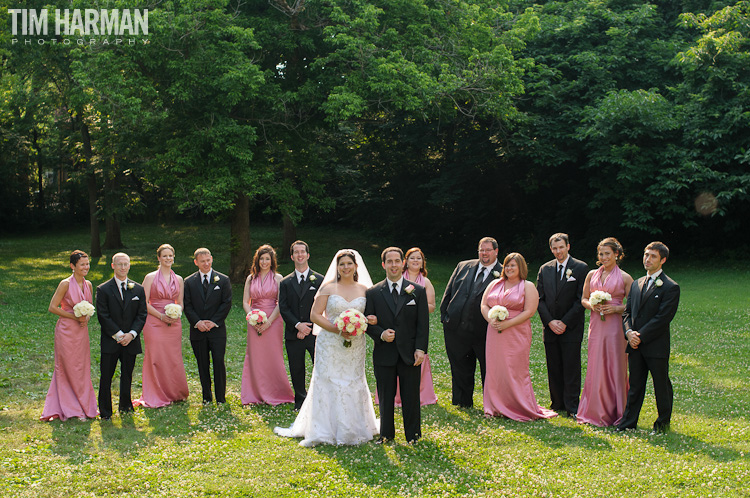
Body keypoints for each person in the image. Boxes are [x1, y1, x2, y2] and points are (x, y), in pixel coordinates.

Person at [274, 249, 379, 446]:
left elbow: (372, 315)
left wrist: (367, 321)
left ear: (356, 266)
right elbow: (315, 315)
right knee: (329, 380)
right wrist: (337, 329)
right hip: (329, 343)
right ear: (337, 267)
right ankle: (323, 428)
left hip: (355, 344)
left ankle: (354, 427)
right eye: (342, 264)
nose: (346, 267)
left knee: (352, 380)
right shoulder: (328, 288)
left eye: (349, 264)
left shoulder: (365, 290)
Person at [481, 253, 557, 421]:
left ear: (520, 267)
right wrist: (490, 319)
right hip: (494, 332)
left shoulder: (527, 286)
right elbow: (484, 304)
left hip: (516, 332)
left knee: (515, 368)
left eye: (513, 266)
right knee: (495, 368)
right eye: (507, 265)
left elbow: (529, 311)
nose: (508, 268)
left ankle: (518, 404)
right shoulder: (495, 284)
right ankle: (495, 404)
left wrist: (508, 324)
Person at [366, 247, 430, 443]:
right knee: (385, 397)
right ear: (384, 264)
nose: (394, 265)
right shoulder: (373, 292)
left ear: (403, 263)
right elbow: (367, 323)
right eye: (389, 261)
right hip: (384, 353)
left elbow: (423, 324)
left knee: (411, 396)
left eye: (397, 261)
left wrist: (421, 349)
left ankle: (413, 435)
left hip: (409, 353)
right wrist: (381, 334)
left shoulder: (417, 291)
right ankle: (386, 435)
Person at [617, 241, 680, 434]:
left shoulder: (670, 287)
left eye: (653, 256)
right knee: (635, 385)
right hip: (635, 345)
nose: (648, 259)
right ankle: (628, 423)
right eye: (646, 255)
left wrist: (640, 336)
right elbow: (627, 313)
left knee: (661, 384)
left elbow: (663, 318)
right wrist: (628, 333)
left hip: (656, 345)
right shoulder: (636, 284)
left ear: (663, 260)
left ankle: (662, 424)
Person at [440, 237, 502, 408]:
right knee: (460, 366)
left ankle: (491, 404)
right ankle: (462, 401)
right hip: (457, 328)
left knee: (488, 369)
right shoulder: (463, 266)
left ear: (496, 251)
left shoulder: (503, 272)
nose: (484, 253)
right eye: (481, 250)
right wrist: (445, 315)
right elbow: (449, 290)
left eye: (488, 250)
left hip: (485, 331)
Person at [577, 237, 634, 426]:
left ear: (616, 254)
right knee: (596, 364)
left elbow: (633, 305)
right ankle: (593, 409)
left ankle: (617, 410)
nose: (603, 257)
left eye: (607, 253)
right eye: (601, 254)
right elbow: (584, 299)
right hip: (597, 325)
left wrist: (617, 309)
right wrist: (591, 306)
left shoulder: (625, 278)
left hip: (615, 327)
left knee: (615, 365)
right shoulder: (591, 274)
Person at [40, 250, 98, 421]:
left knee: (81, 367)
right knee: (67, 367)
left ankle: (84, 405)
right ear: (73, 266)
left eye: (87, 264)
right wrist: (74, 316)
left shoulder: (89, 285)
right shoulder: (65, 284)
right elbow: (53, 307)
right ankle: (70, 408)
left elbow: (90, 306)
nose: (86, 267)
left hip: (82, 330)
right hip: (66, 330)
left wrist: (85, 317)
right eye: (82, 264)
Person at [376, 247, 437, 407]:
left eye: (419, 258)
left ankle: (421, 395)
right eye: (412, 258)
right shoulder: (397, 279)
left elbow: (430, 307)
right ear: (406, 262)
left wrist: (417, 307)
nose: (416, 261)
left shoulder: (424, 283)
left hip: (411, 332)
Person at [536, 233, 588, 418]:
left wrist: (565, 322)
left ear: (568, 247)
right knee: (554, 365)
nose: (558, 251)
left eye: (561, 247)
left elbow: (580, 299)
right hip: (550, 327)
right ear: (551, 249)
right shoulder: (545, 269)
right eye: (555, 248)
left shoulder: (581, 268)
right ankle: (556, 402)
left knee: (571, 366)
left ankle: (572, 405)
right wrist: (550, 321)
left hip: (571, 326)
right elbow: (539, 299)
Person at [134, 244, 189, 408]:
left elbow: (180, 302)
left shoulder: (179, 279)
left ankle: (174, 392)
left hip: (173, 323)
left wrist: (175, 314)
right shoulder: (150, 277)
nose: (168, 259)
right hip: (154, 320)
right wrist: (161, 316)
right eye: (164, 256)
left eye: (170, 255)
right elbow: (143, 303)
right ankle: (156, 392)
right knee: (156, 356)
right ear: (158, 258)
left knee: (173, 357)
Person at [95, 252, 147, 419]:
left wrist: (131, 335)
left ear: (129, 265)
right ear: (113, 266)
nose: (123, 267)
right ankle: (105, 410)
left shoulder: (138, 288)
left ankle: (125, 406)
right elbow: (103, 315)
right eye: (119, 264)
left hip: (131, 340)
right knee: (106, 376)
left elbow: (142, 314)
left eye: (126, 264)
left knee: (127, 374)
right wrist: (118, 335)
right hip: (111, 341)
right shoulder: (103, 289)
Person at [241, 245, 294, 405]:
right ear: (257, 260)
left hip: (274, 320)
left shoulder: (278, 278)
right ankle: (254, 392)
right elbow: (245, 301)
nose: (264, 262)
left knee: (273, 355)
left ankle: (277, 391)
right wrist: (252, 316)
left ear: (272, 261)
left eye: (267, 259)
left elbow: (280, 303)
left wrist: (269, 321)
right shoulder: (251, 278)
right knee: (255, 355)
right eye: (261, 259)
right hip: (254, 321)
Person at [278, 240, 325, 410]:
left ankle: (319, 401)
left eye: (302, 252)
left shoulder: (320, 280)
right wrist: (298, 325)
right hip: (293, 333)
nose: (300, 255)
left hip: (315, 333)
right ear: (292, 257)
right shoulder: (285, 282)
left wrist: (309, 327)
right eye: (296, 252)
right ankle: (300, 401)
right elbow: (283, 307)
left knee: (319, 367)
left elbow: (323, 307)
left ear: (308, 255)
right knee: (296, 368)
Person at [183, 248, 232, 404]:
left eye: (208, 260)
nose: (206, 263)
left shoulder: (223, 280)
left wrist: (214, 321)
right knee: (202, 364)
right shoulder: (189, 282)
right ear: (196, 262)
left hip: (217, 330)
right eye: (202, 261)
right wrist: (197, 322)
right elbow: (187, 305)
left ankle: (221, 397)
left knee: (218, 362)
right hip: (198, 330)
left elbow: (226, 303)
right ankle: (206, 397)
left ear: (212, 259)